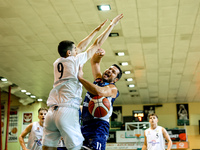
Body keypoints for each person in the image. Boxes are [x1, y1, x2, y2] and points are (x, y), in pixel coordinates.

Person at [42, 14, 124, 150]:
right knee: (76, 147)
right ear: (70, 53)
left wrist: (95, 31)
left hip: (52, 110)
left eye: (113, 72)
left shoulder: (57, 62)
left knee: (49, 146)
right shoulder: (75, 61)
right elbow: (94, 47)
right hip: (67, 110)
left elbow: (80, 47)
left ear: (115, 79)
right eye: (74, 50)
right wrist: (111, 26)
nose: (77, 50)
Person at [78, 48, 123, 150]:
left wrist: (81, 79)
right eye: (109, 69)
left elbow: (99, 92)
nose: (109, 71)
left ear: (115, 79)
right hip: (85, 124)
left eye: (113, 72)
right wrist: (99, 55)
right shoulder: (98, 79)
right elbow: (94, 62)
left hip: (99, 125)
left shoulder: (113, 89)